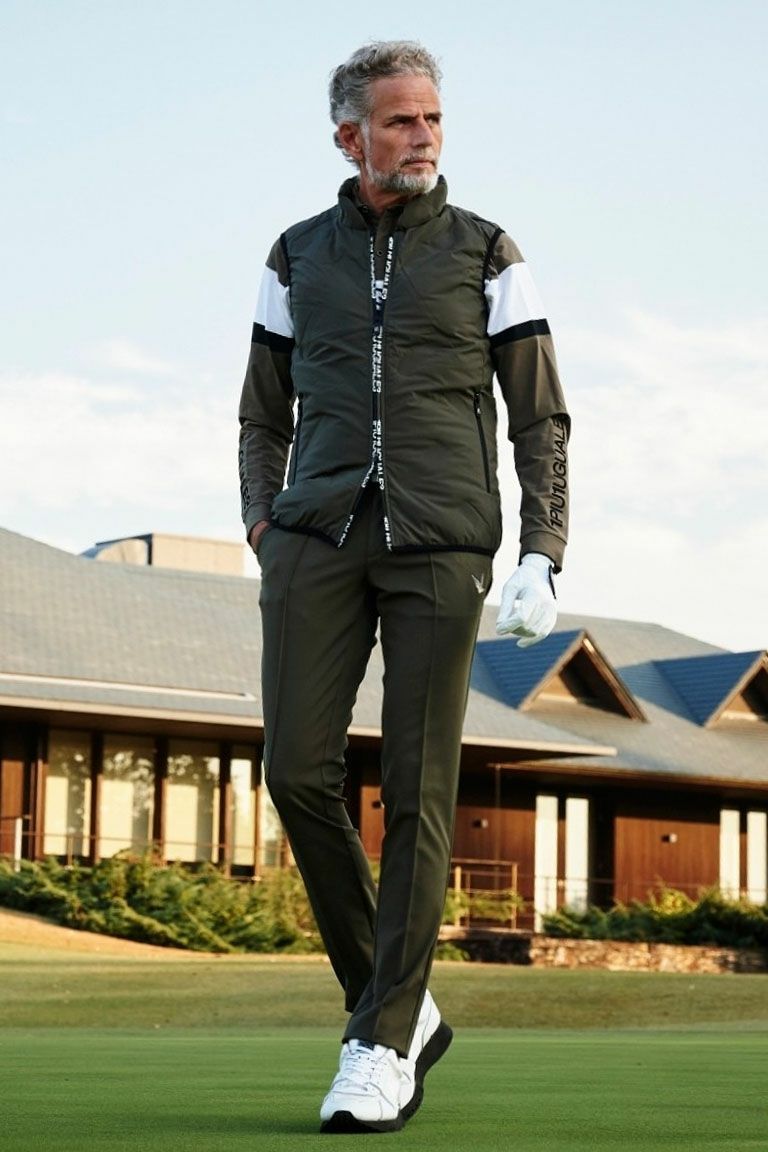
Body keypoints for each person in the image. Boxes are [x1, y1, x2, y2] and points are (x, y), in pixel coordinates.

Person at [238, 40, 570, 1133]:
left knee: (421, 789)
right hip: (315, 536)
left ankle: (380, 1045)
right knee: (296, 771)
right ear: (351, 137)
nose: (423, 136)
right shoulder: (296, 255)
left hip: (440, 544)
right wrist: (263, 523)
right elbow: (261, 412)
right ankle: (400, 1001)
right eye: (400, 121)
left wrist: (542, 547)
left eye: (432, 118)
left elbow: (539, 412)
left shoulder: (487, 251)